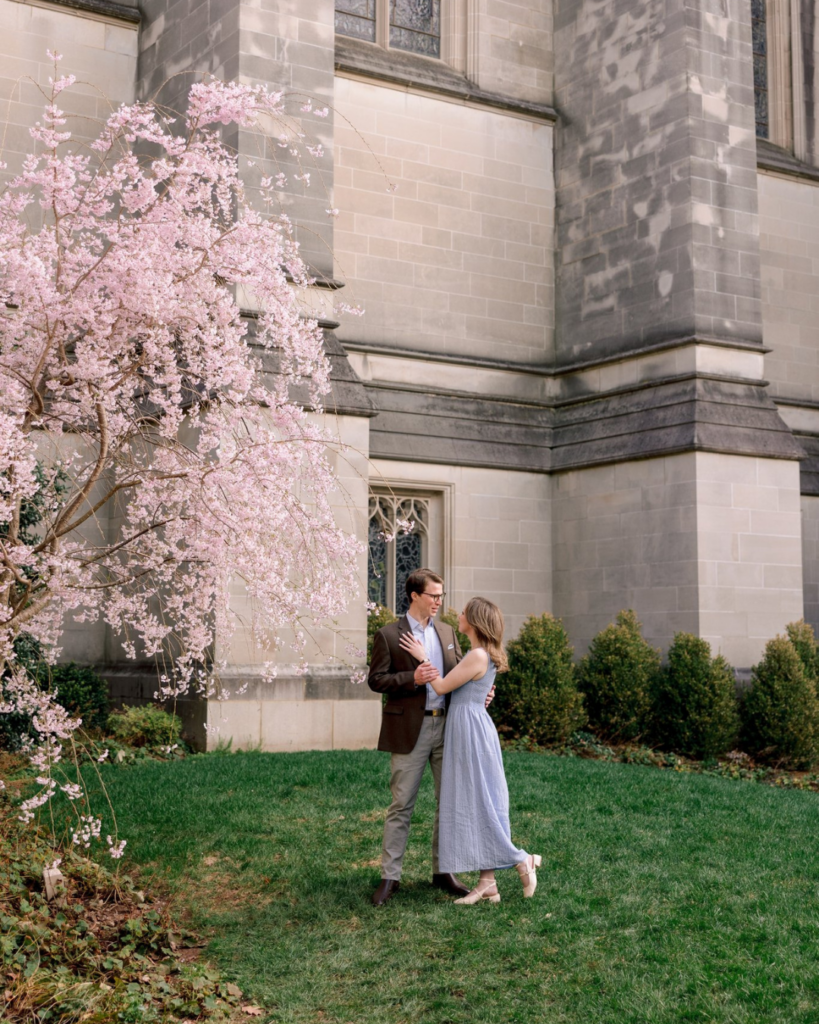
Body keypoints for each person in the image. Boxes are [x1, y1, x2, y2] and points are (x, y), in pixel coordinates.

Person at [398, 596, 541, 904]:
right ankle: (486, 883)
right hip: (469, 727)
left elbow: (441, 687)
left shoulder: (477, 655)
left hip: (470, 733)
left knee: (480, 802)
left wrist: (423, 657)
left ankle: (521, 859)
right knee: (477, 801)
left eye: (462, 612)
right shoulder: (479, 654)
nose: (458, 615)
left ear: (474, 621)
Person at [367, 568, 471, 906]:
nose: (439, 601)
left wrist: (481, 692)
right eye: (434, 596)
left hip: (447, 727)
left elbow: (457, 674)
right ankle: (390, 877)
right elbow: (377, 680)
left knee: (449, 803)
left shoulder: (447, 631)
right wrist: (411, 677)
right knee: (401, 805)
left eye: (441, 595)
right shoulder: (387, 635)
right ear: (415, 596)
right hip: (410, 729)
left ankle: (444, 871)